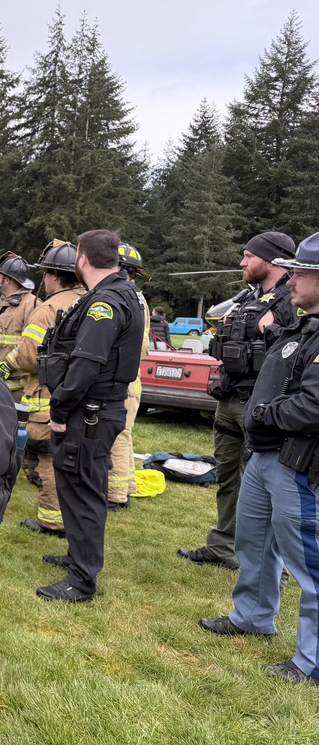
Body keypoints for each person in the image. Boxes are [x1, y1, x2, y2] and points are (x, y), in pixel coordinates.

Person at [198, 231, 319, 687]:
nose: (292, 280)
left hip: (296, 461)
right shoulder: (303, 326)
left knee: (308, 561)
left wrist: (264, 413)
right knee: (253, 543)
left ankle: (312, 661)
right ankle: (252, 615)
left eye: (302, 272)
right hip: (265, 454)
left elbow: (313, 406)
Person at [36, 229, 144, 602]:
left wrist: (60, 408)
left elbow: (86, 363)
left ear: (82, 260)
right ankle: (77, 557)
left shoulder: (106, 302)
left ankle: (81, 579)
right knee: (78, 485)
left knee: (84, 489)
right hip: (95, 409)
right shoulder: (116, 293)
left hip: (89, 411)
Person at [178, 231, 296, 571]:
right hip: (229, 398)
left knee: (262, 486)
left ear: (271, 259)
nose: (242, 262)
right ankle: (222, 546)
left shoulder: (293, 299)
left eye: (248, 255)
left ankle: (265, 563)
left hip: (260, 404)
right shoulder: (249, 297)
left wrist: (273, 330)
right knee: (227, 477)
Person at [9, 239, 86, 535]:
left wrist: (7, 365)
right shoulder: (92, 300)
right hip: (84, 399)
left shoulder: (48, 308)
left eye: (45, 273)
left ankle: (52, 520)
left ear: (54, 275)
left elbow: (28, 355)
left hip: (48, 398)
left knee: (49, 461)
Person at [106, 243, 152, 511]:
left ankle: (116, 495)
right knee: (123, 436)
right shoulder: (136, 298)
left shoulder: (129, 299)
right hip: (128, 382)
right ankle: (126, 488)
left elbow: (141, 348)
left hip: (123, 383)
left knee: (118, 437)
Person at [0, 251, 39, 403]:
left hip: (17, 392)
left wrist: (7, 365)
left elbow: (30, 343)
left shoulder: (31, 304)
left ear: (7, 280)